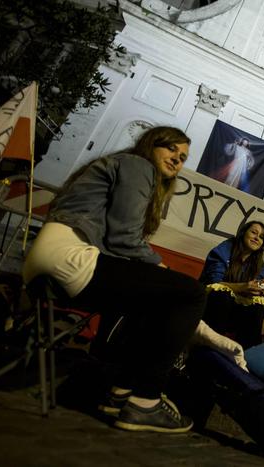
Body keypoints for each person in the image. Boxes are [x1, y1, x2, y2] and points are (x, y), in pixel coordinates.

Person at [22, 126, 208, 433]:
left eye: (184, 157)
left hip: (45, 264)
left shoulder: (124, 165)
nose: (177, 160)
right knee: (192, 293)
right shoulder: (138, 165)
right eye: (171, 149)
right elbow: (123, 238)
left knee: (147, 301)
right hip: (68, 257)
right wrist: (160, 267)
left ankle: (121, 391)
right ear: (151, 144)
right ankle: (146, 400)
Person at [199, 221, 264, 349]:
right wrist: (243, 287)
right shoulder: (224, 249)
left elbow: (253, 286)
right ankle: (210, 349)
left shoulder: (259, 264)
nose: (257, 238)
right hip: (208, 303)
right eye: (254, 232)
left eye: (261, 237)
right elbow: (214, 283)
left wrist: (259, 289)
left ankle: (246, 356)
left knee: (258, 306)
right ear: (243, 233)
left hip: (235, 310)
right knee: (222, 295)